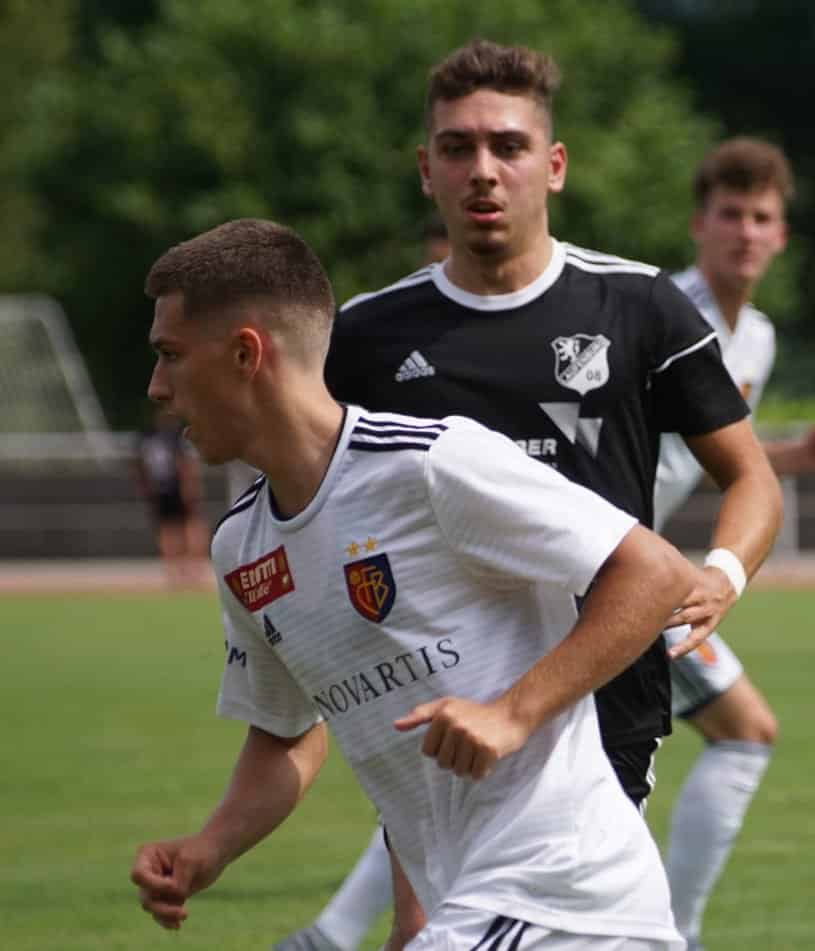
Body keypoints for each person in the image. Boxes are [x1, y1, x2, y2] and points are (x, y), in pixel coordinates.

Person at [277, 39, 782, 951]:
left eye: (508, 147)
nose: (483, 170)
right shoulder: (364, 338)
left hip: (603, 696)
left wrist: (724, 571)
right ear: (425, 170)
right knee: (423, 927)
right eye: (458, 148)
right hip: (438, 703)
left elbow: (751, 476)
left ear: (552, 167)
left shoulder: (638, 308)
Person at [130, 217, 715, 949]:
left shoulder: (432, 463)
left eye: (170, 355)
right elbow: (284, 733)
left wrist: (512, 712)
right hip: (475, 904)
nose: (157, 387)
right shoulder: (240, 549)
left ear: (246, 352)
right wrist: (210, 846)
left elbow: (654, 572)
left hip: (562, 896)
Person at [653, 137, 815, 950]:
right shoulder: (661, 316)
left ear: (782, 236)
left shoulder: (760, 339)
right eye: (730, 215)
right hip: (605, 565)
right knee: (740, 733)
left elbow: (706, 465)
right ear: (698, 225)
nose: (746, 231)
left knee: (502, 769)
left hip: (640, 571)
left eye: (762, 218)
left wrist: (797, 459)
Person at [135, 404, 210, 587]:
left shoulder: (147, 437)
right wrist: (190, 487)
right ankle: (194, 569)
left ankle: (173, 571)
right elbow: (183, 463)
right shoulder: (175, 436)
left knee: (167, 528)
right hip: (177, 486)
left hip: (159, 489)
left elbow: (139, 465)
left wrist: (145, 488)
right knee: (191, 524)